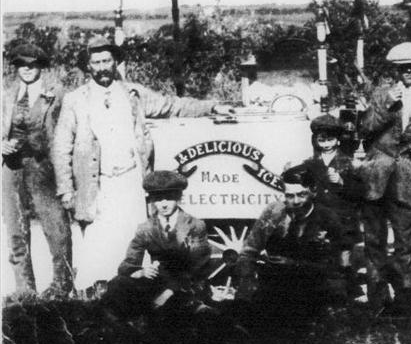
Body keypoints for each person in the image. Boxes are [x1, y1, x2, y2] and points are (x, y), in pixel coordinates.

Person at [52, 36, 232, 293]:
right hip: (97, 185)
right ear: (88, 66)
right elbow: (61, 147)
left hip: (131, 182)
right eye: (96, 62)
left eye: (107, 61)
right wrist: (66, 190)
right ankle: (97, 295)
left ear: (115, 62)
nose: (102, 67)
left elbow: (172, 105)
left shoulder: (133, 94)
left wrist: (213, 106)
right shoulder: (75, 100)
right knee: (97, 244)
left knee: (132, 240)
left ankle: (134, 296)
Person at [358, 42, 411, 313]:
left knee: (406, 241)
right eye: (402, 68)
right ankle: (377, 298)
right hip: (376, 176)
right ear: (395, 70)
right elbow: (365, 129)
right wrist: (386, 104)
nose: (408, 73)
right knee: (374, 240)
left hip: (408, 176)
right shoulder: (381, 93)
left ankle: (406, 298)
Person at [2, 43, 72, 298]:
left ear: (40, 67)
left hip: (44, 166)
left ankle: (62, 285)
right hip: (12, 168)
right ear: (16, 67)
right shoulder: (6, 94)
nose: (27, 70)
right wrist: (2, 144)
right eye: (22, 65)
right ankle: (25, 287)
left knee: (55, 226)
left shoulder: (56, 93)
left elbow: (67, 127)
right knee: (16, 226)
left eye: (32, 65)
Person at [101, 170, 211, 318]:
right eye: (158, 199)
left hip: (187, 285)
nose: (163, 204)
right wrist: (140, 272)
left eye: (169, 198)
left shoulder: (195, 225)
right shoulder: (145, 228)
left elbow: (198, 268)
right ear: (152, 200)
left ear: (178, 198)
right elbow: (127, 264)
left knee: (176, 313)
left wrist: (167, 294)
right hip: (158, 283)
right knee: (117, 284)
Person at [235, 164, 346, 310]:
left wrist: (294, 265)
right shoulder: (274, 212)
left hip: (314, 287)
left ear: (313, 192)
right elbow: (249, 252)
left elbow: (333, 267)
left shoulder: (328, 219)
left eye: (301, 194)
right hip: (275, 284)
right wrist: (246, 286)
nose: (295, 201)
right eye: (289, 195)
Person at [300, 114, 366, 297]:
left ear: (338, 140)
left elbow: (360, 192)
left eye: (330, 139)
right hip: (320, 217)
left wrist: (342, 182)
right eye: (322, 140)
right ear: (316, 140)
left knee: (344, 257)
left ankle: (351, 291)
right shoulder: (310, 164)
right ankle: (323, 292)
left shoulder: (349, 163)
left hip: (343, 217)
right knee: (320, 255)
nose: (326, 143)